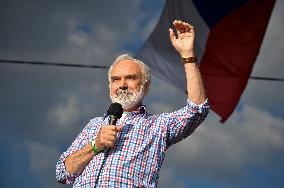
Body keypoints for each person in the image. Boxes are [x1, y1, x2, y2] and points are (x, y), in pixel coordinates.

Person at [56, 20, 209, 187]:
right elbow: (63, 172)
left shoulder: (158, 127)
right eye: (116, 79)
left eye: (130, 78)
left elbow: (197, 109)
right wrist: (95, 145)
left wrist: (188, 55)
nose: (122, 84)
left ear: (145, 87)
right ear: (110, 86)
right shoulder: (94, 125)